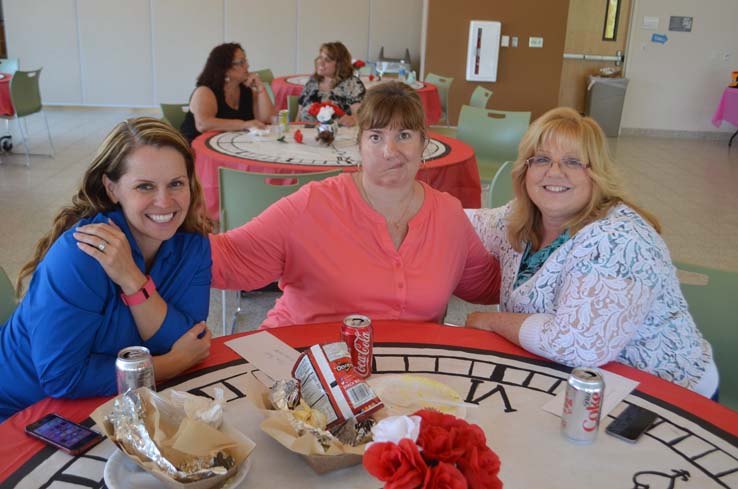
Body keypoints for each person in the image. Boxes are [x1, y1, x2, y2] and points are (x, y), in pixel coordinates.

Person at [464, 107, 717, 397]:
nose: (554, 172)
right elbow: (463, 222)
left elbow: (577, 344)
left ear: (596, 174)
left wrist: (488, 319)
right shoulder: (522, 218)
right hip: (577, 384)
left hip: (666, 397)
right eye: (542, 159)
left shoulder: (619, 238)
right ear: (525, 170)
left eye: (572, 162)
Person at [211, 82, 500, 328]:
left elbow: (489, 283)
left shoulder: (447, 215)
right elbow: (231, 257)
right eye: (376, 137)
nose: (390, 151)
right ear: (359, 145)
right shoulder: (314, 204)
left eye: (404, 135)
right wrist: (166, 232)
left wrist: (542, 237)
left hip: (402, 379)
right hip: (304, 367)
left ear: (424, 143)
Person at [0, 117, 213, 420]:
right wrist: (169, 365)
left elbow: (187, 340)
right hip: (25, 412)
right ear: (112, 189)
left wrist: (132, 280)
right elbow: (62, 377)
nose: (165, 202)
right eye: (145, 186)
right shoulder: (83, 254)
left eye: (176, 183)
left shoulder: (193, 244)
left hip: (111, 406)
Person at [180, 42, 274, 142]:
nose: (247, 65)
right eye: (241, 62)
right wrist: (243, 124)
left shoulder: (246, 91)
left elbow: (267, 120)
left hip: (230, 145)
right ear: (225, 69)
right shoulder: (205, 91)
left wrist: (261, 88)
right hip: (196, 149)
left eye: (245, 61)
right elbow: (203, 125)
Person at [297, 41, 366, 127]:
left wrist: (352, 119)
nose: (320, 62)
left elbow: (359, 117)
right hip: (307, 137)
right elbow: (298, 117)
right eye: (320, 57)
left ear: (340, 65)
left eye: (327, 60)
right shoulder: (312, 82)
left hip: (339, 137)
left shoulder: (352, 84)